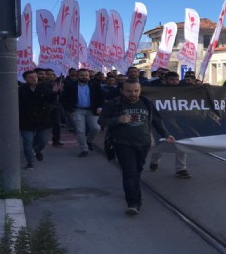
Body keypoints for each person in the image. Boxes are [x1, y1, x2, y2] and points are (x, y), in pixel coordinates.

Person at [98, 79, 175, 215]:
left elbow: (157, 121)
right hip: (122, 143)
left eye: (136, 91)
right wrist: (118, 120)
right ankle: (133, 203)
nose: (133, 94)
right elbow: (102, 120)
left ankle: (134, 191)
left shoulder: (146, 102)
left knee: (137, 170)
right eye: (129, 91)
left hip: (143, 143)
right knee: (129, 172)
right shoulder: (113, 104)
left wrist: (166, 134)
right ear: (122, 91)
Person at [19, 70, 61, 169]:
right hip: (26, 120)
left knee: (42, 141)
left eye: (35, 77)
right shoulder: (21, 89)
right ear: (25, 79)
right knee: (27, 142)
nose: (34, 79)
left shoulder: (44, 87)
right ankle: (30, 163)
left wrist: (55, 92)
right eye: (31, 77)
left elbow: (50, 99)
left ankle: (36, 151)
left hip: (42, 119)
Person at [60, 68, 105, 157]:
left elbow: (101, 96)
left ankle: (89, 141)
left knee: (96, 128)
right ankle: (84, 149)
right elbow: (63, 99)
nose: (84, 77)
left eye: (86, 75)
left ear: (89, 76)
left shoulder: (95, 85)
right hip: (77, 110)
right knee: (80, 130)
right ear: (77, 76)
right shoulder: (71, 85)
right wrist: (69, 109)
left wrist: (100, 106)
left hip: (92, 110)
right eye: (82, 75)